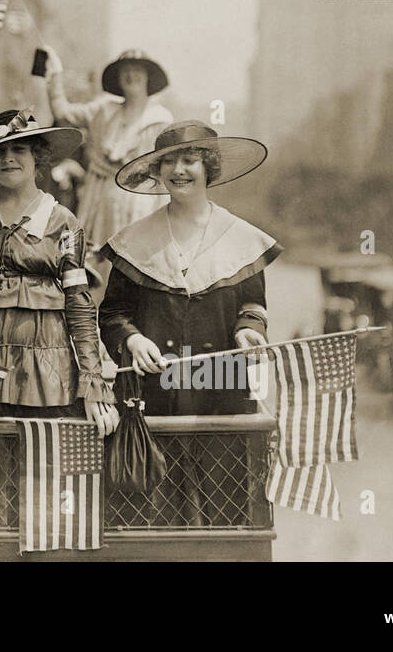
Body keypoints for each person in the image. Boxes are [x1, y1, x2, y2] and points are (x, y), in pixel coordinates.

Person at [0, 109, 119, 527]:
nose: (8, 159)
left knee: (37, 484)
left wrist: (94, 383)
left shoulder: (63, 222)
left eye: (18, 150)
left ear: (38, 158)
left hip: (44, 374)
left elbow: (79, 305)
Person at [98, 120, 279, 526]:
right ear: (157, 172)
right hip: (154, 391)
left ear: (208, 168)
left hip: (222, 386)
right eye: (169, 162)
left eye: (189, 160)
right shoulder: (134, 241)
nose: (179, 170)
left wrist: (249, 329)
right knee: (154, 508)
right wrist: (132, 339)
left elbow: (253, 303)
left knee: (227, 502)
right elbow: (111, 313)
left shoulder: (241, 238)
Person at [42, 47, 173, 281]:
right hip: (99, 199)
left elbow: (164, 172)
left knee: (134, 268)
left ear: (148, 78)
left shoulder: (160, 120)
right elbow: (63, 113)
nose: (131, 76)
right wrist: (55, 75)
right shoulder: (102, 109)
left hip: (140, 203)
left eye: (137, 71)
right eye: (125, 71)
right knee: (95, 265)